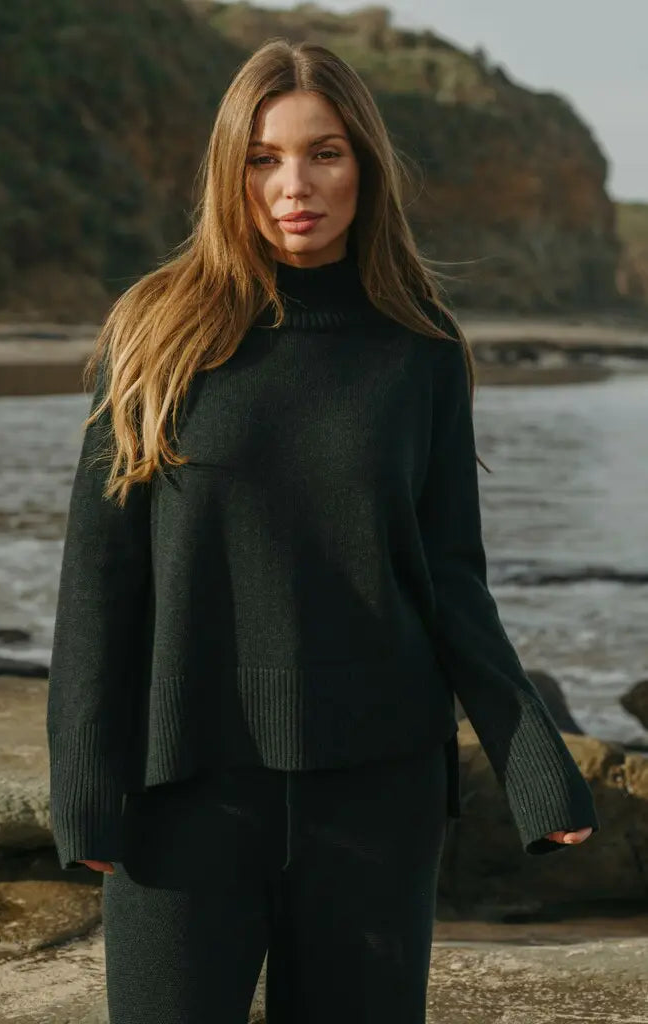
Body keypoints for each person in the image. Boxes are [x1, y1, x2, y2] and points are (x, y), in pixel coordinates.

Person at [46, 38, 599, 1024]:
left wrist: (531, 759)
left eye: (323, 153)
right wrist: (86, 782)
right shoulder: (152, 334)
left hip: (375, 796)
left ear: (366, 165)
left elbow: (448, 578)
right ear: (229, 170)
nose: (292, 185)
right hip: (186, 792)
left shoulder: (419, 349)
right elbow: (99, 577)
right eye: (262, 158)